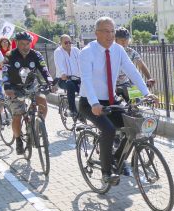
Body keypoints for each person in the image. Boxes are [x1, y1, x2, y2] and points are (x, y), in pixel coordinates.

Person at [78, 17, 155, 184]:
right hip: (89, 102)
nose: (110, 35)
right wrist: (94, 103)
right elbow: (87, 80)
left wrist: (146, 93)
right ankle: (106, 172)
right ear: (96, 33)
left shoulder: (118, 50)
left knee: (133, 126)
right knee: (108, 130)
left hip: (110, 101)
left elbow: (133, 72)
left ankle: (117, 159)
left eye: (112, 31)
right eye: (106, 31)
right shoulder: (87, 52)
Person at [2, 32, 54, 155]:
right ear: (17, 44)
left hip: (31, 85)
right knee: (18, 114)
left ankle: (38, 125)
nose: (25, 47)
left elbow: (44, 69)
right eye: (22, 44)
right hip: (14, 88)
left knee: (42, 100)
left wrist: (50, 81)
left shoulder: (36, 54)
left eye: (27, 44)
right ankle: (18, 139)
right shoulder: (10, 56)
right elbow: (4, 73)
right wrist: (7, 87)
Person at [114, 27, 155, 102]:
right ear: (115, 40)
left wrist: (149, 78)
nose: (124, 43)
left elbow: (141, 65)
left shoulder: (131, 52)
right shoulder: (110, 51)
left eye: (126, 40)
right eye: (122, 40)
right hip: (111, 84)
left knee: (136, 101)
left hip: (125, 83)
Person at [53, 34, 82, 116]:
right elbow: (59, 64)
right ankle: (72, 110)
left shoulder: (76, 50)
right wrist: (63, 73)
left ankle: (85, 112)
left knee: (86, 91)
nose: (68, 44)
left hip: (77, 79)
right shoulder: (58, 52)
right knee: (70, 85)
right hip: (64, 80)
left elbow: (82, 61)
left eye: (70, 42)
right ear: (61, 43)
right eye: (66, 42)